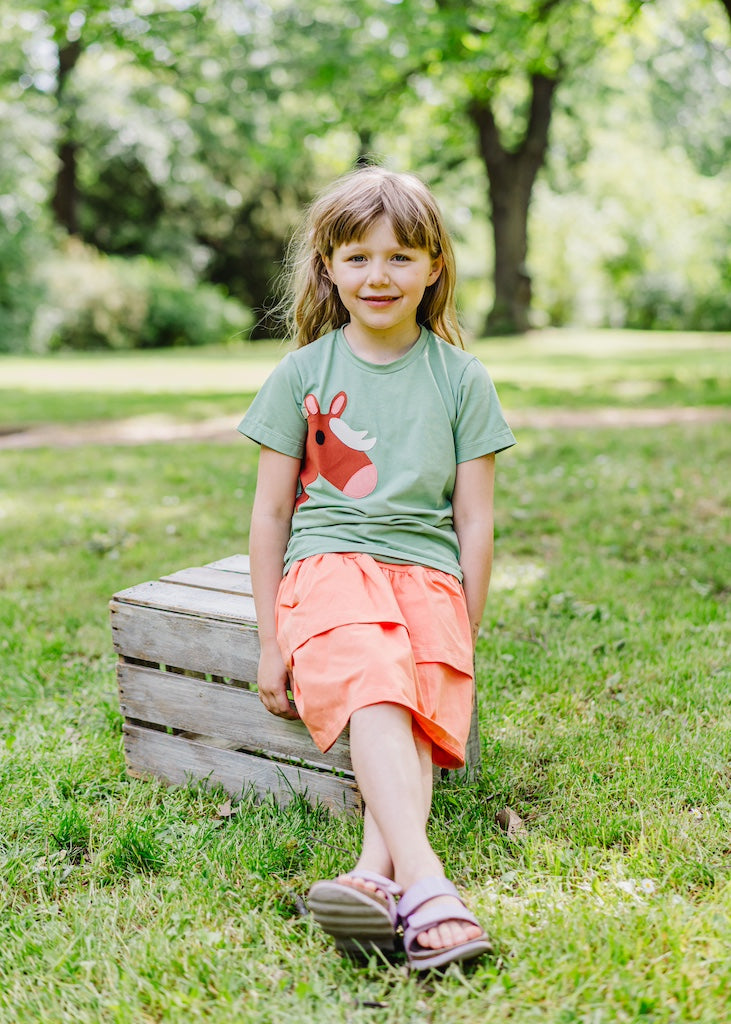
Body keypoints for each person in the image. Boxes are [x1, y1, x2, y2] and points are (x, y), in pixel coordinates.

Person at [238, 166, 515, 971]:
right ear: (326, 266)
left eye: (400, 257)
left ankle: (371, 876)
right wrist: (268, 640)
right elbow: (269, 513)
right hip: (330, 562)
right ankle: (430, 884)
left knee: (414, 684)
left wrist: (464, 618)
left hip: (426, 571)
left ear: (434, 267)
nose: (378, 275)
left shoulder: (461, 379)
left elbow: (473, 518)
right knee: (374, 671)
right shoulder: (300, 376)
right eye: (357, 257)